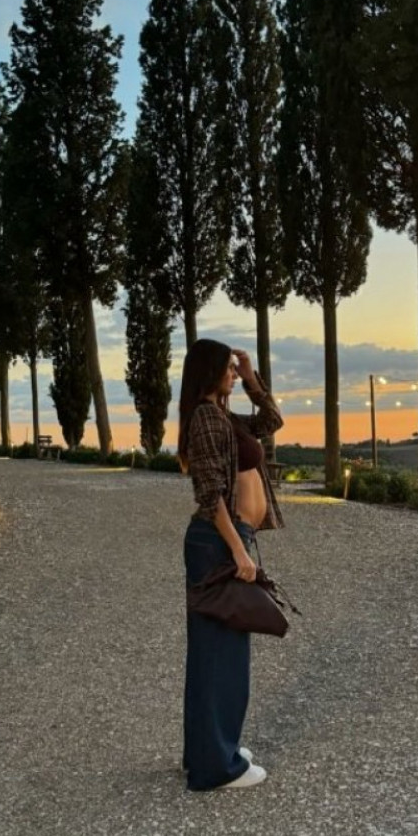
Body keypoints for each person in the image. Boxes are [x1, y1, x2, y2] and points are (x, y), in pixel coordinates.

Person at [177, 338, 284, 791]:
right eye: (228, 368)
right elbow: (209, 493)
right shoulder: (205, 418)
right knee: (221, 658)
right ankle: (218, 768)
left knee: (216, 654)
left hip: (227, 541)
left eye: (234, 369)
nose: (233, 375)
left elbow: (271, 421)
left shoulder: (223, 416)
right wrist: (239, 551)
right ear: (208, 371)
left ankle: (208, 752)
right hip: (218, 544)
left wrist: (252, 375)